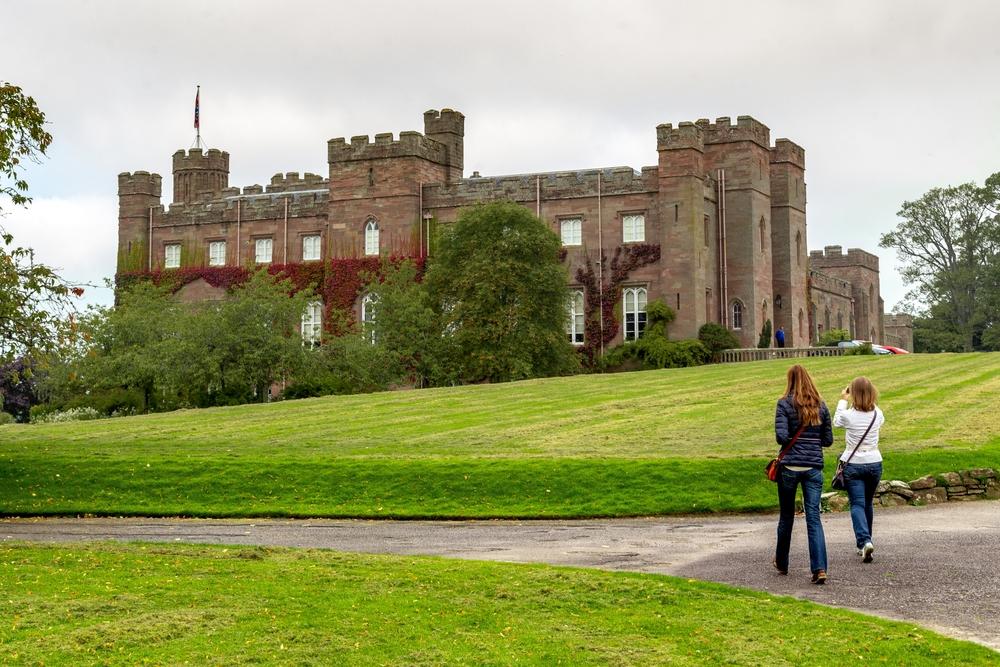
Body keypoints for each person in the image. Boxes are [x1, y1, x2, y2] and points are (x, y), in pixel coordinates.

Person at [773, 364, 834, 584]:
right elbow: (827, 440)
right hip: (813, 467)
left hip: (790, 467)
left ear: (790, 381)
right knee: (814, 518)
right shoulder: (821, 406)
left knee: (786, 516)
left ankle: (782, 561)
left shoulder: (783, 404)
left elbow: (781, 437)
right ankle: (819, 568)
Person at [834, 376, 885, 563]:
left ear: (853, 393)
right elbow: (879, 420)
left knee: (857, 504)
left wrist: (842, 400)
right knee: (868, 503)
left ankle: (864, 541)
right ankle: (865, 541)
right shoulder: (877, 413)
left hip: (854, 463)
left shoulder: (848, 415)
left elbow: (837, 422)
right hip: (874, 461)